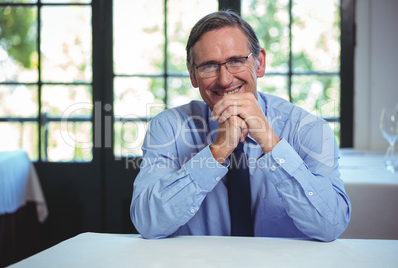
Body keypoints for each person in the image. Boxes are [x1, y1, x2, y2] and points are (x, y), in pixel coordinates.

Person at [130, 10, 351, 242]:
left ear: (260, 63)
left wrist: (270, 142)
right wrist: (217, 152)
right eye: (208, 66)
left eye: (236, 61)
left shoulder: (310, 129)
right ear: (193, 76)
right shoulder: (168, 129)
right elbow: (148, 224)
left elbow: (330, 226)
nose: (224, 80)